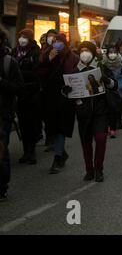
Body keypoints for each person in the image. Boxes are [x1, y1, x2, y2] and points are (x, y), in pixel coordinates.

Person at [67, 41, 117, 182]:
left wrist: (107, 80)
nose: (85, 53)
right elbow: (70, 95)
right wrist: (67, 91)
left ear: (93, 52)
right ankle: (89, 170)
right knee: (86, 142)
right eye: (82, 50)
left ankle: (98, 168)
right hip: (83, 113)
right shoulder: (75, 71)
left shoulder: (101, 67)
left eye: (87, 50)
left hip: (100, 111)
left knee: (101, 138)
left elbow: (114, 85)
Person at [39, 33, 78, 174]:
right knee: (52, 129)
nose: (57, 44)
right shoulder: (46, 54)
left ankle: (57, 158)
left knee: (61, 129)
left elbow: (75, 74)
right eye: (55, 42)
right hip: (50, 97)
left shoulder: (72, 57)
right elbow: (40, 72)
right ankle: (61, 153)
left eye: (60, 42)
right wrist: (49, 59)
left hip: (65, 97)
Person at [0, 29, 24, 201]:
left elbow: (19, 88)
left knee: (1, 150)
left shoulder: (9, 62)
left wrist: (2, 82)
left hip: (3, 114)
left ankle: (2, 187)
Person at [12, 29, 41, 165]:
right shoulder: (15, 51)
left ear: (29, 38)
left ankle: (32, 151)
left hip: (32, 93)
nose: (21, 39)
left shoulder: (35, 51)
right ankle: (25, 151)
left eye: (24, 37)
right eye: (20, 36)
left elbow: (36, 71)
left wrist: (20, 73)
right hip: (20, 93)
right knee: (23, 124)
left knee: (32, 123)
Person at [102, 47, 122, 138]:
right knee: (109, 108)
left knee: (119, 107)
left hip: (119, 89)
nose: (112, 54)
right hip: (108, 89)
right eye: (110, 52)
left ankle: (120, 123)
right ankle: (110, 126)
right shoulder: (103, 64)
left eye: (114, 52)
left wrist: (119, 86)